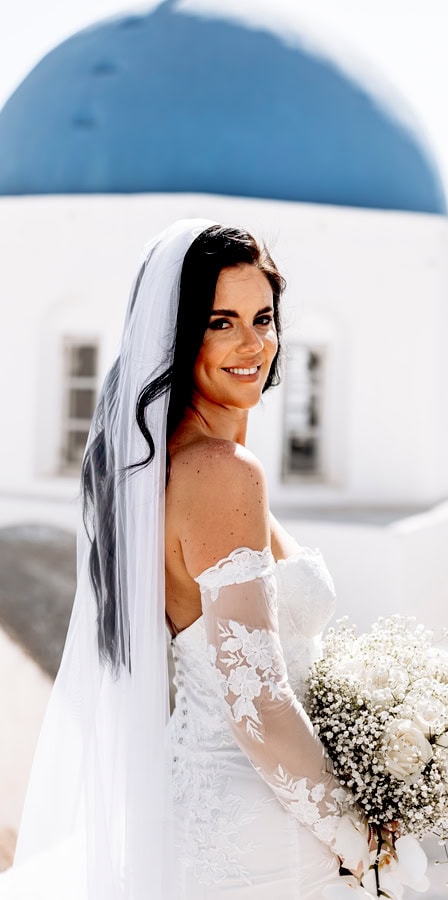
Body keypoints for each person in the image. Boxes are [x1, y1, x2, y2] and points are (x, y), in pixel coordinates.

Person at [1, 220, 370, 899]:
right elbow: (257, 700)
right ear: (177, 338)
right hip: (265, 835)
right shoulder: (222, 472)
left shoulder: (168, 468)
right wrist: (364, 840)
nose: (253, 343)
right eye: (220, 322)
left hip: (202, 805)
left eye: (263, 318)